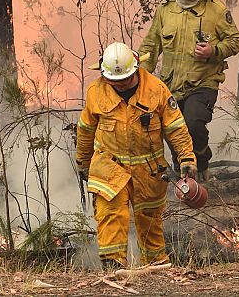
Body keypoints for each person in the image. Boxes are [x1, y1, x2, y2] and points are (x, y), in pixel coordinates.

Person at [76, 42, 197, 271]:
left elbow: (176, 128)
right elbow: (85, 130)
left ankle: (155, 266)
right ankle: (114, 268)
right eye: (115, 81)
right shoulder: (96, 93)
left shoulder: (157, 90)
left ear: (137, 68)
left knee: (149, 219)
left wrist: (187, 159)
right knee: (110, 213)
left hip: (149, 170)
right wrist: (83, 161)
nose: (120, 85)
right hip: (109, 166)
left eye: (125, 80)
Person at [138, 0, 239, 181]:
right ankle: (183, 174)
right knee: (172, 130)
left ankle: (202, 163)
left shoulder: (216, 11)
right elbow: (150, 46)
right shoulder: (165, 11)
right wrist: (141, 77)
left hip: (203, 82)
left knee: (193, 123)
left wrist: (213, 51)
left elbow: (235, 41)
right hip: (170, 85)